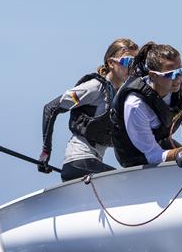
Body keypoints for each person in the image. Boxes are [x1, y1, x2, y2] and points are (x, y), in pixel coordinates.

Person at [38, 38, 139, 181]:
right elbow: (51, 108)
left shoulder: (122, 94)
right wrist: (45, 152)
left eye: (135, 63)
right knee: (124, 181)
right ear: (111, 63)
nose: (132, 68)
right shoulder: (94, 87)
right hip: (77, 163)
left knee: (127, 178)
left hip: (93, 164)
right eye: (127, 62)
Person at [111, 42, 182, 170]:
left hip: (162, 143)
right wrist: (177, 153)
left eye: (180, 70)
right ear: (153, 76)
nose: (177, 78)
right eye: (170, 74)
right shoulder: (135, 105)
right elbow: (152, 154)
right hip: (136, 155)